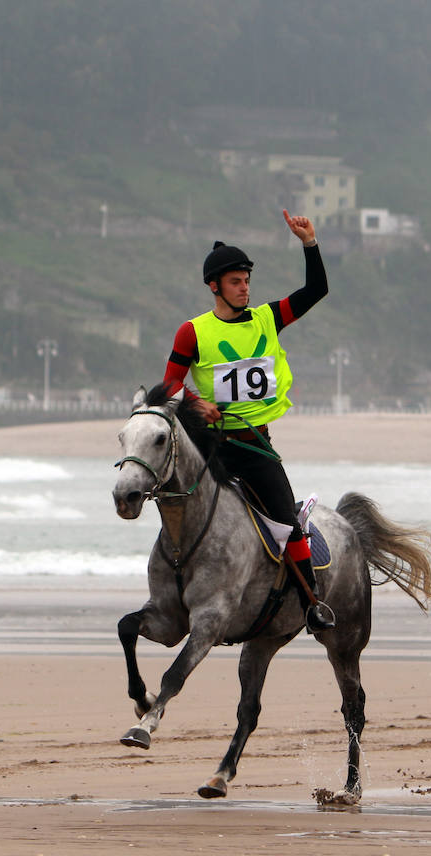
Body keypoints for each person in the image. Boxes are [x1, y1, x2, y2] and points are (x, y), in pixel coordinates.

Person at [161, 209, 334, 632]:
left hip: (255, 445)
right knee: (171, 501)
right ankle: (167, 584)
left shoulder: (267, 318)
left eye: (247, 281)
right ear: (214, 286)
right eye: (236, 282)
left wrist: (309, 243)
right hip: (211, 447)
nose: (245, 289)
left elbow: (317, 289)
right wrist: (198, 405)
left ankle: (312, 601)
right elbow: (168, 386)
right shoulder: (192, 332)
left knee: (285, 521)